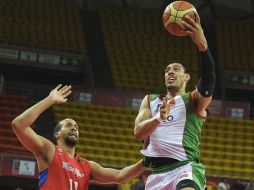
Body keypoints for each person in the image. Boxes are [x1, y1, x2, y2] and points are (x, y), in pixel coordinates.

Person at [134, 13, 216, 190]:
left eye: (176, 69)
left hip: (185, 168)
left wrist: (202, 46)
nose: (170, 72)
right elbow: (138, 134)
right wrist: (158, 119)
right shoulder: (150, 100)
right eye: (167, 70)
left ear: (186, 77)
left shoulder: (193, 100)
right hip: (157, 173)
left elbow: (208, 82)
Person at [12, 84, 145, 190]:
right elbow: (19, 125)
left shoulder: (88, 166)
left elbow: (121, 176)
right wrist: (49, 100)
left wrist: (148, 159)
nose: (74, 128)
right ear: (57, 134)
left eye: (76, 127)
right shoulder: (49, 150)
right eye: (68, 125)